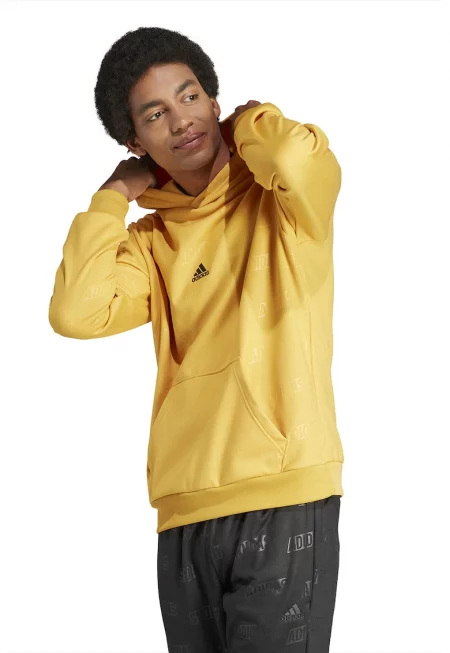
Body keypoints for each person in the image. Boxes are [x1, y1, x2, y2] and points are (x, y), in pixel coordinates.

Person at [48, 26, 344, 653]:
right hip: (184, 511)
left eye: (189, 97)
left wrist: (250, 123)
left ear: (214, 100)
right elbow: (76, 312)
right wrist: (113, 196)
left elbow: (293, 157)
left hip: (283, 493)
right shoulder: (150, 242)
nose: (181, 120)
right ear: (134, 142)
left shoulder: (284, 202)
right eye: (155, 114)